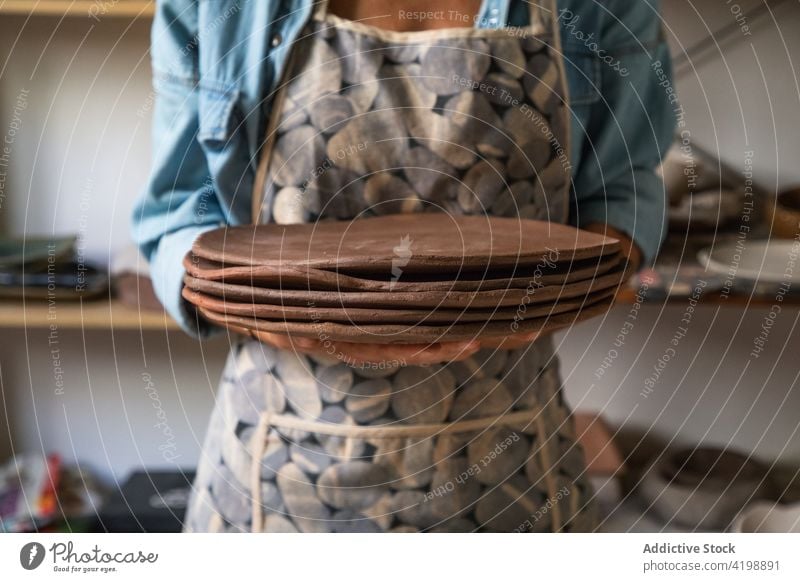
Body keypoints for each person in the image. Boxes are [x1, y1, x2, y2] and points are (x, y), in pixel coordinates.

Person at [132, 0, 675, 532]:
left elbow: (622, 190)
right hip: (275, 469)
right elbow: (179, 212)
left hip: (512, 469)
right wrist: (274, 309)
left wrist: (562, 284)